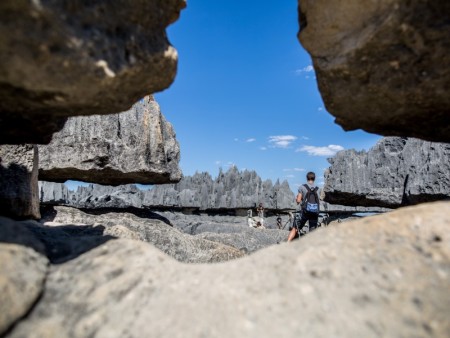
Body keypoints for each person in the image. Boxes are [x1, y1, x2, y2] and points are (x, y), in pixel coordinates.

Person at [287, 171, 320, 241]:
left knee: (295, 228)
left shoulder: (302, 187)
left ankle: (287, 243)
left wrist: (298, 199)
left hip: (305, 212)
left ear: (306, 178)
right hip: (315, 212)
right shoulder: (318, 189)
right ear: (314, 178)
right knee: (312, 230)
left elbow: (298, 201)